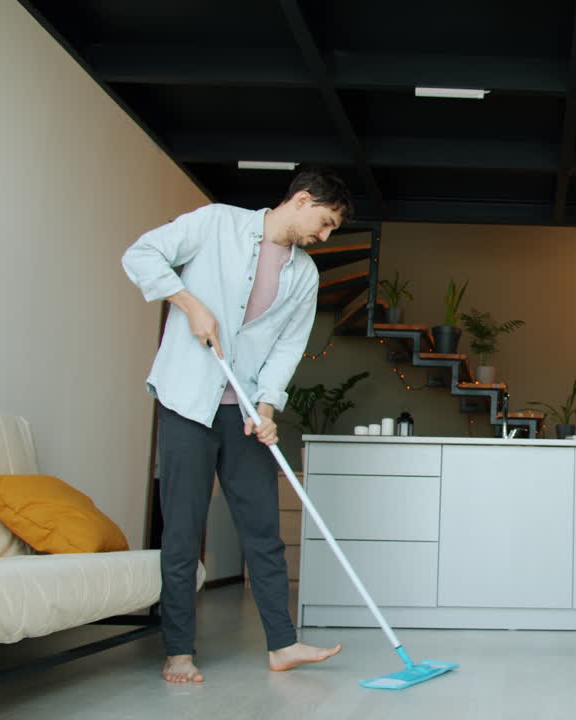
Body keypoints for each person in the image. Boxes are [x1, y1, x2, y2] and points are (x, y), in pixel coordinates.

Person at [122, 166, 352, 684]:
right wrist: (187, 303)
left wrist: (268, 407)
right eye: (325, 222)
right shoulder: (215, 224)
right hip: (187, 402)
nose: (324, 235)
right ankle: (178, 651)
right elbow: (140, 255)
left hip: (244, 411)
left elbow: (289, 347)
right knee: (182, 530)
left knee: (263, 532)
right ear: (301, 199)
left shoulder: (305, 274)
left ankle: (283, 645)